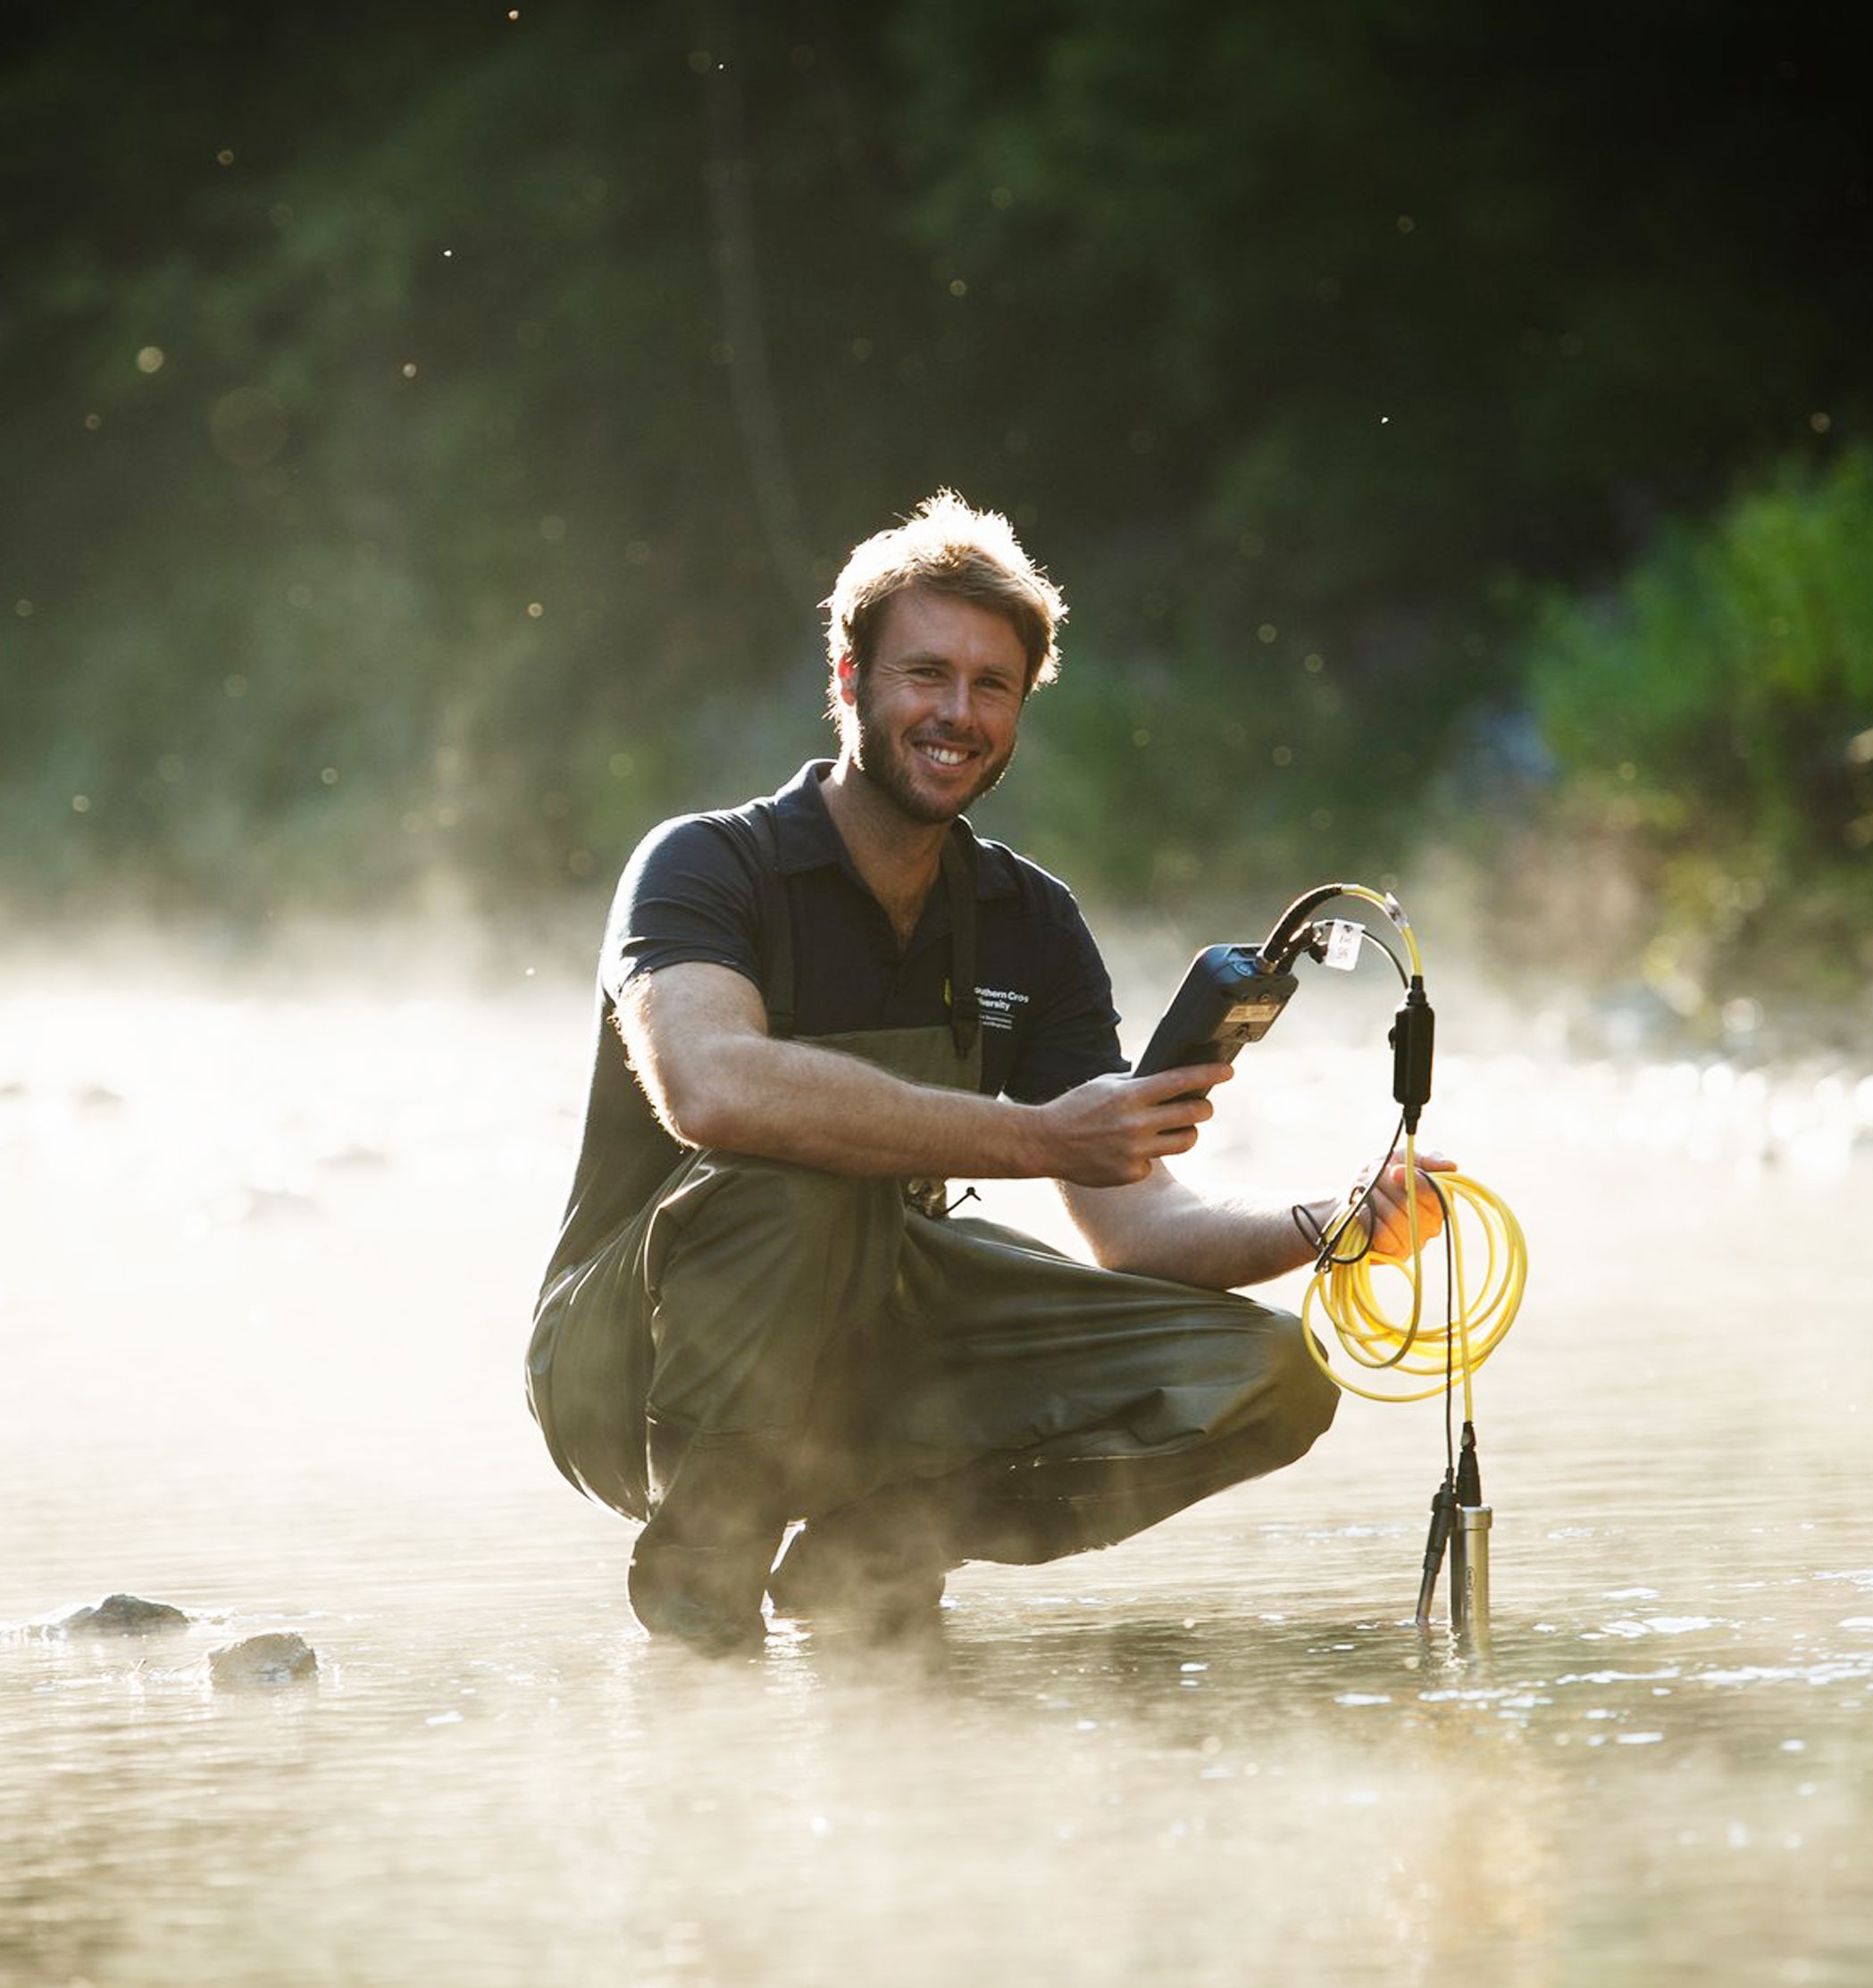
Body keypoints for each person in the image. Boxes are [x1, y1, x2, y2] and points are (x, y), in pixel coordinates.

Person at [527, 491, 1448, 1652]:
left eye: (991, 685)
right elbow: (707, 1086)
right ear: (848, 679)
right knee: (797, 1176)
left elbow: (1135, 1227)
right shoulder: (707, 864)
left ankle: (872, 1551)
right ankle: (698, 1620)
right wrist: (1032, 1138)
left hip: (876, 1327)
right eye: (924, 674)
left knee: (1269, 1369)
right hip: (624, 1368)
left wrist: (1330, 1223)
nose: (955, 712)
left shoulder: (1029, 920)